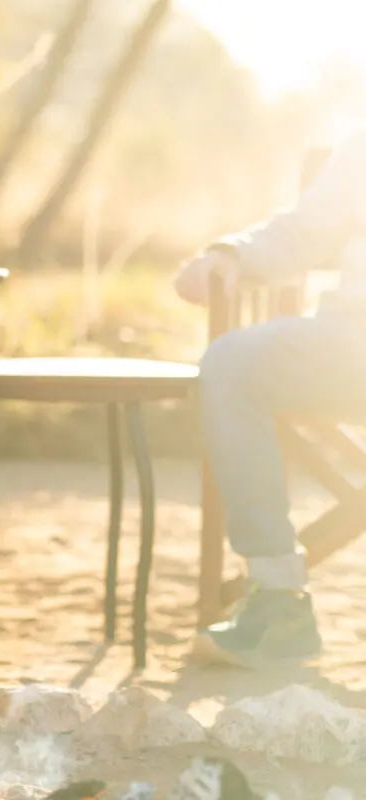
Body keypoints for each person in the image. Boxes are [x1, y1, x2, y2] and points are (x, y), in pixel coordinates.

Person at [173, 128, 366, 668]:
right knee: (233, 363)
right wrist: (232, 254)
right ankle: (280, 603)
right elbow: (304, 230)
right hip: (351, 345)